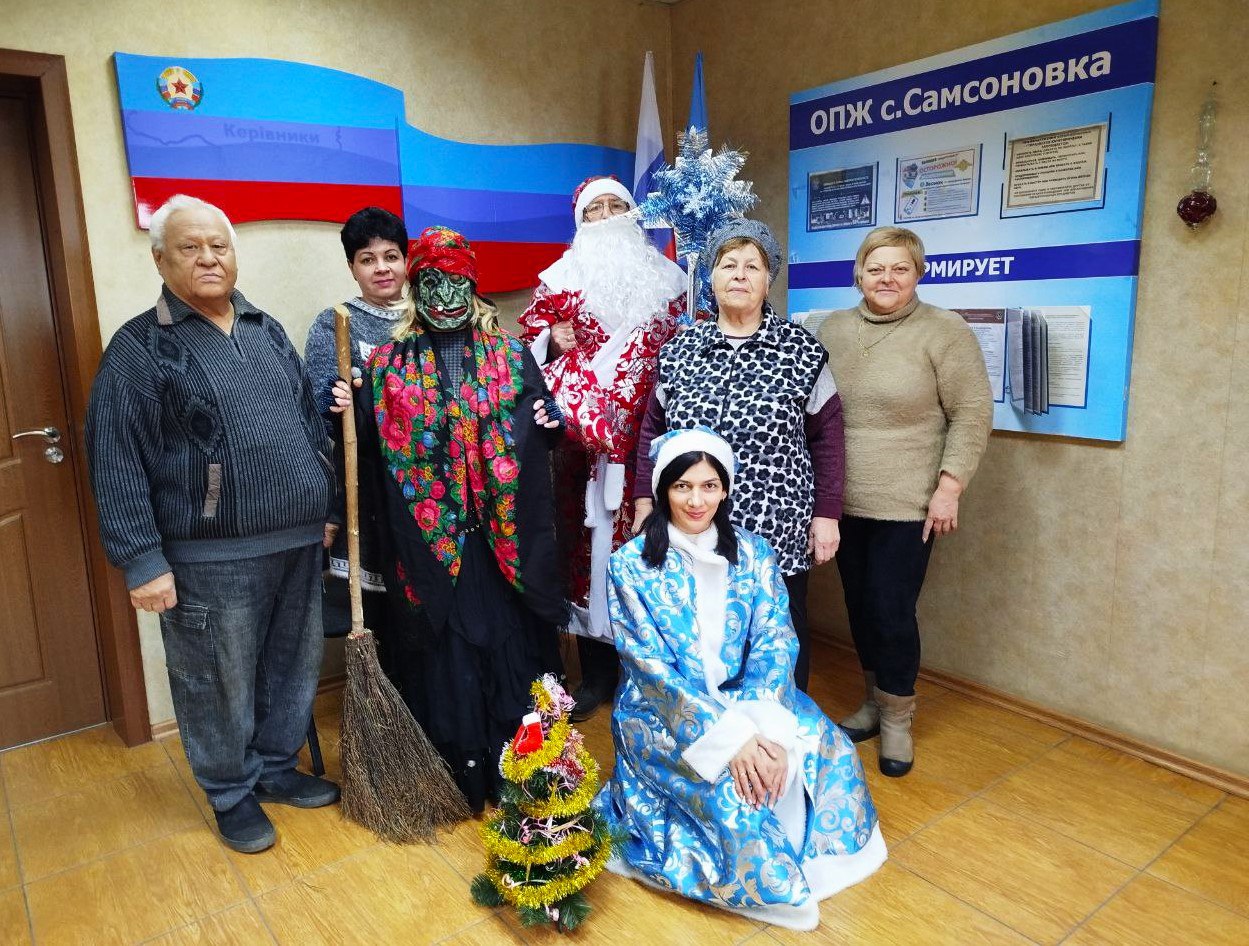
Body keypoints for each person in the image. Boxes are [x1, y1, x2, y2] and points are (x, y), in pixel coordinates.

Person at [84, 195, 340, 854]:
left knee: (291, 667)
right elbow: (115, 458)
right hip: (209, 558)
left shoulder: (265, 328)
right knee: (215, 681)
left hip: (297, 541)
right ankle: (230, 793)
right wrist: (142, 560)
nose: (208, 258)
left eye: (218, 245)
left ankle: (276, 769)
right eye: (190, 247)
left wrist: (325, 507)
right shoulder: (140, 349)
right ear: (160, 260)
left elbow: (307, 425)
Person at [597, 427, 885, 932]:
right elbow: (651, 670)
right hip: (665, 714)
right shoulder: (630, 565)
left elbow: (776, 639)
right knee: (737, 794)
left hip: (750, 698)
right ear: (663, 489)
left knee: (829, 747)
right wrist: (732, 740)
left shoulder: (754, 553)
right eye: (683, 486)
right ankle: (773, 880)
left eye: (709, 486)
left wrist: (762, 726)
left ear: (726, 489)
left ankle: (816, 857)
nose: (696, 501)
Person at [352, 225, 566, 812]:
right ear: (414, 288)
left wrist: (551, 422)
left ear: (472, 287)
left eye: (455, 283)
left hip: (502, 545)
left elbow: (540, 426)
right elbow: (367, 451)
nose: (445, 297)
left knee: (512, 650)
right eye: (431, 283)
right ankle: (461, 776)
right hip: (431, 546)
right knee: (446, 657)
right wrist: (343, 409)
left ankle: (525, 766)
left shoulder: (512, 356)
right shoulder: (385, 367)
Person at [634, 218, 843, 692]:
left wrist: (827, 514)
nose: (740, 275)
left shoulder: (803, 352)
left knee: (778, 632)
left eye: (753, 266)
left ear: (769, 280)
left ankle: (781, 721)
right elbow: (652, 431)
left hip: (777, 523)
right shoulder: (680, 350)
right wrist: (645, 501)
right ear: (710, 277)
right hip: (693, 518)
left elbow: (829, 438)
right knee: (700, 627)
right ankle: (713, 722)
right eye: (729, 265)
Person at [817, 226, 992, 777]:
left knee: (891, 610)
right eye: (876, 268)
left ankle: (897, 717)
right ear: (859, 275)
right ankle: (874, 702)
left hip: (909, 503)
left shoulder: (944, 330)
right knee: (859, 606)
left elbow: (972, 412)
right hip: (843, 501)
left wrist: (950, 487)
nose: (887, 278)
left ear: (918, 273)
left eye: (900, 268)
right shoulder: (832, 328)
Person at [518, 175, 686, 721]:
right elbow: (525, 354)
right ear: (580, 221)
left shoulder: (671, 281)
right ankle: (595, 675)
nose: (608, 216)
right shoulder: (559, 281)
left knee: (652, 553)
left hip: (652, 444)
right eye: (596, 209)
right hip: (582, 454)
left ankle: (650, 673)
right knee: (587, 558)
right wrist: (551, 340)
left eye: (618, 205)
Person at [304, 207, 409, 644]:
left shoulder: (429, 317)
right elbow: (318, 410)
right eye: (368, 259)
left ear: (406, 260)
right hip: (366, 488)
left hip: (430, 487)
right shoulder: (335, 322)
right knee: (383, 613)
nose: (382, 268)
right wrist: (338, 400)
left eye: (391, 256)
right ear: (352, 267)